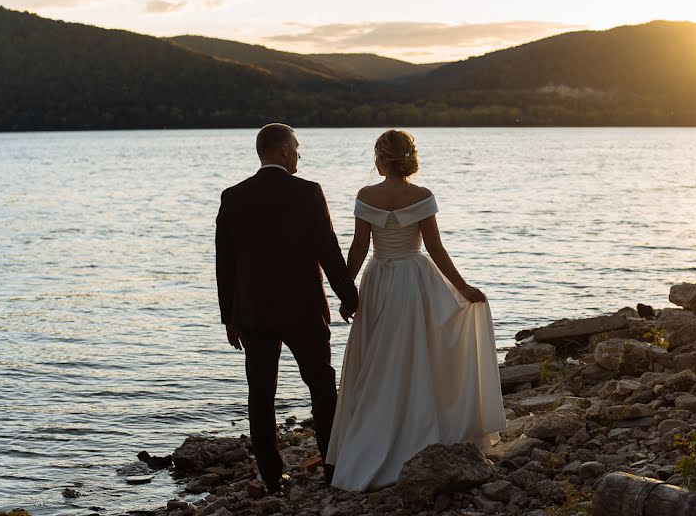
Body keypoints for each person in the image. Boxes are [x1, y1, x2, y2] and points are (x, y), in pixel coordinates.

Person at [325, 129, 506, 492]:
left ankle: (369, 442)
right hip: (413, 279)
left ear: (382, 157)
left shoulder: (366, 196)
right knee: (415, 355)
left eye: (376, 154)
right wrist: (461, 287)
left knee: (377, 359)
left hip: (378, 279)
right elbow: (436, 249)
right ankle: (418, 429)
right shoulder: (421, 196)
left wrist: (347, 292)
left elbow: (359, 248)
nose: (374, 161)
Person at [215, 123, 358, 492]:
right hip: (303, 310)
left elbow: (224, 264)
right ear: (281, 150)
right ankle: (332, 468)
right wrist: (350, 296)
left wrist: (229, 318)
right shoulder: (308, 192)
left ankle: (271, 477)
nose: (298, 154)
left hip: (255, 315)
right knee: (323, 388)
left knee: (260, 395)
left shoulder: (233, 197)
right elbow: (328, 249)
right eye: (296, 147)